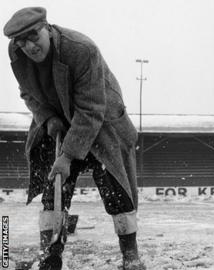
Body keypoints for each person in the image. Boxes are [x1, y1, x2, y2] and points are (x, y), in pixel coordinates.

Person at [3, 7, 145, 269]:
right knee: (53, 186)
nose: (29, 46)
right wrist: (48, 118)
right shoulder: (17, 55)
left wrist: (68, 156)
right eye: (21, 41)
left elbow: (91, 110)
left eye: (34, 36)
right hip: (60, 118)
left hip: (102, 120)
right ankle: (50, 253)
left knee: (116, 190)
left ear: (46, 27)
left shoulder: (81, 49)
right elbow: (27, 94)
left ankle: (130, 255)